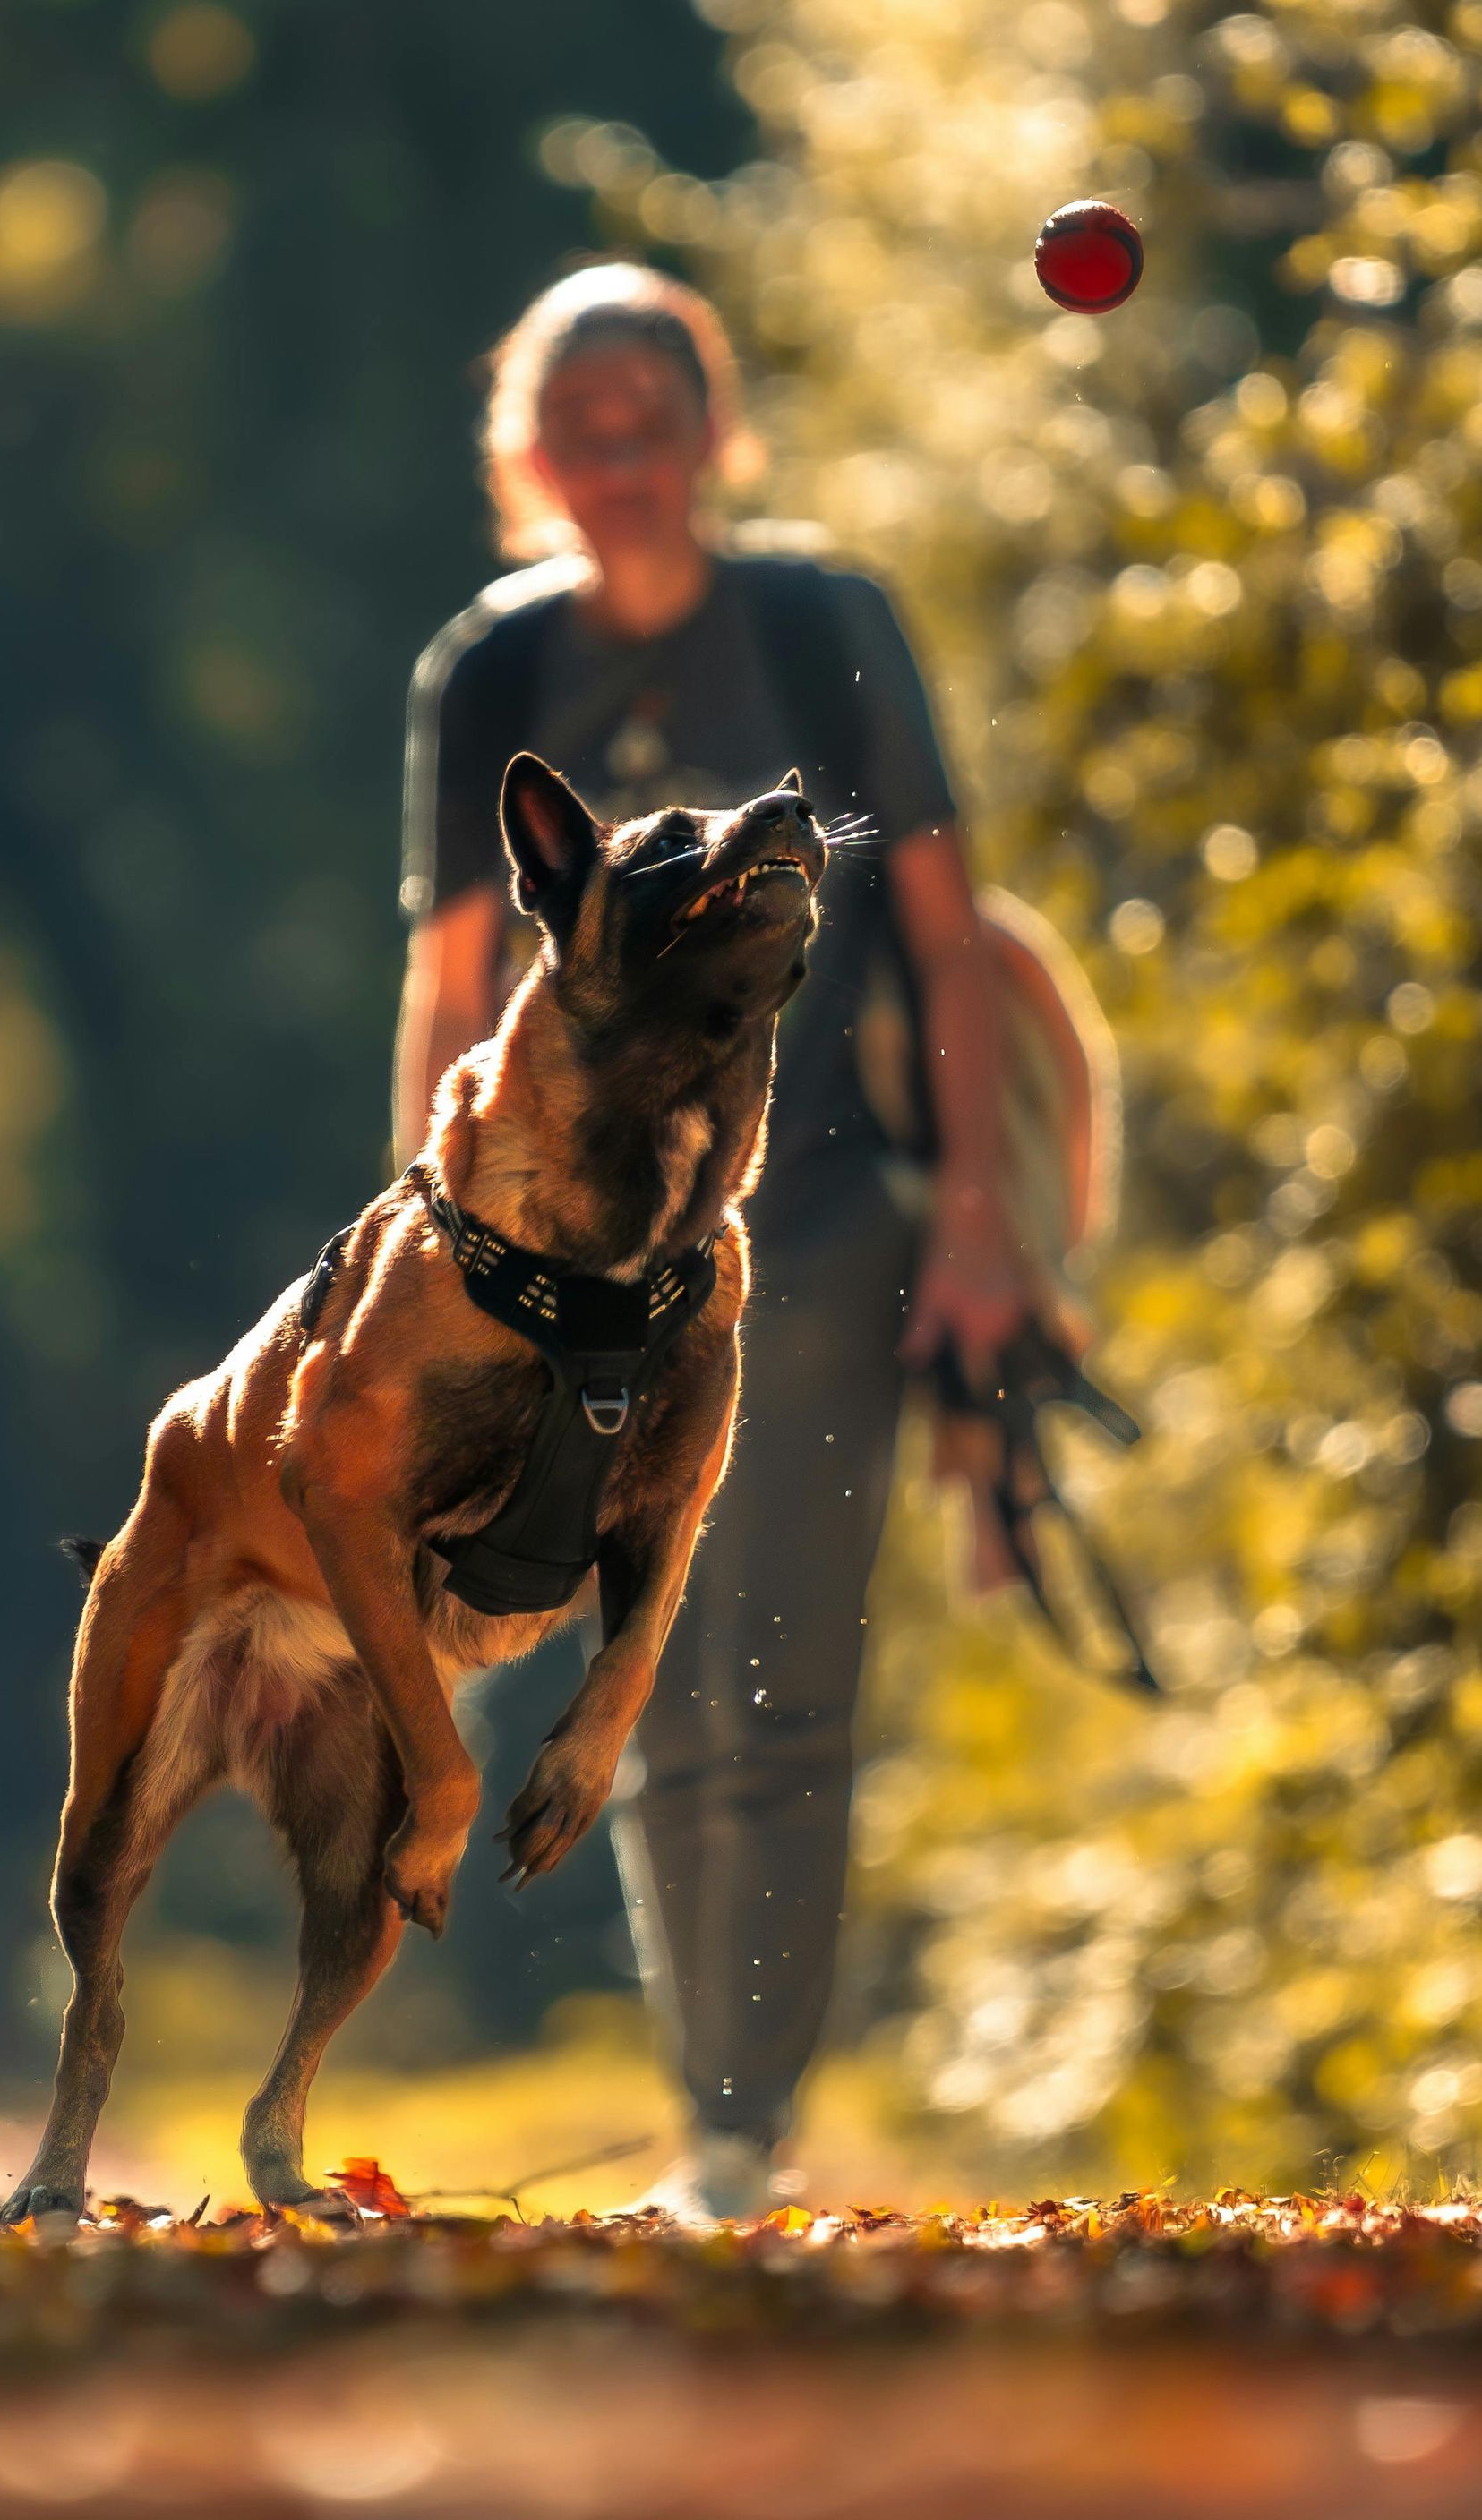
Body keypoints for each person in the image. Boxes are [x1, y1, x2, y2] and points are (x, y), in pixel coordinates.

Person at [393, 261, 1042, 2219]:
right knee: (648, 1683)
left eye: (649, 424)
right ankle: (717, 2124)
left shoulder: (827, 627)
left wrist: (984, 1217)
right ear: (528, 455)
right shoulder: (494, 671)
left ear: (709, 434)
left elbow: (949, 942)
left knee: (782, 1678)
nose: (619, 464)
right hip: (577, 1266)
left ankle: (743, 2129)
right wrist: (428, 1249)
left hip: (816, 1221)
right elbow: (448, 992)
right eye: (578, 432)